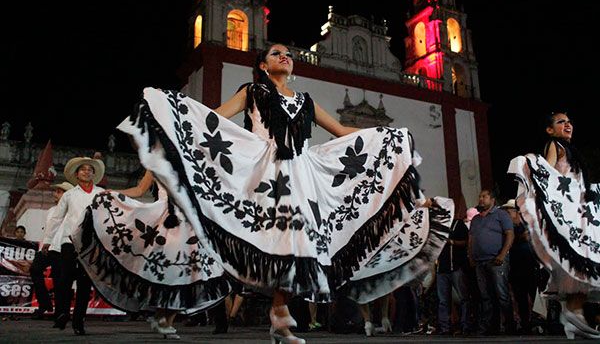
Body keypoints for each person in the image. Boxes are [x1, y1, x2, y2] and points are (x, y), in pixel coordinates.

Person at [117, 43, 454, 343]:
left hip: (301, 176)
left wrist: (386, 138)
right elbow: (213, 120)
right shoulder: (252, 91)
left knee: (298, 242)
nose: (286, 57)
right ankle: (171, 312)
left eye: (289, 54)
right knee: (227, 239)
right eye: (277, 53)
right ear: (264, 65)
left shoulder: (306, 101)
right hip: (261, 171)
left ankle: (279, 314)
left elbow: (340, 131)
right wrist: (172, 123)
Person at [71, 169, 231, 340]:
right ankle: (163, 320)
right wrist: (116, 193)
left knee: (188, 272)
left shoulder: (188, 158)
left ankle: (163, 320)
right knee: (177, 272)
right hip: (167, 218)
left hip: (189, 218)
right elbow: (140, 190)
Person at [509, 111, 600, 339]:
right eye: (561, 122)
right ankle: (573, 314)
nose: (567, 124)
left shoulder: (571, 152)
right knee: (578, 260)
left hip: (577, 212)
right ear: (550, 130)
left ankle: (574, 314)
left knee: (579, 264)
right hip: (567, 214)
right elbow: (546, 173)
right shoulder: (555, 145)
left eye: (569, 121)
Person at [50, 157, 105, 335]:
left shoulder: (101, 193)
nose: (86, 172)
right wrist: (47, 241)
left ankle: (78, 320)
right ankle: (63, 312)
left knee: (84, 282)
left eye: (90, 169)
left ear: (94, 174)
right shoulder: (69, 195)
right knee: (65, 278)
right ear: (76, 174)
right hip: (69, 240)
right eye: (83, 169)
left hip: (90, 242)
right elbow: (56, 218)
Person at [468, 189, 514, 334]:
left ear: (492, 199)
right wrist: (471, 256)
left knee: (502, 294)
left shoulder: (501, 215)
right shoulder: (475, 219)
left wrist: (502, 254)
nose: (481, 199)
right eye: (480, 196)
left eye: (484, 196)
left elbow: (510, 235)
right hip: (480, 262)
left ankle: (509, 326)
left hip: (496, 260)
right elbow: (471, 239)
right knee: (485, 296)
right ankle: (489, 327)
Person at [30, 181, 73, 320]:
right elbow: (48, 229)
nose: (55, 194)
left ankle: (59, 311)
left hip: (62, 248)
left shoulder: (72, 211)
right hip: (48, 246)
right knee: (35, 269)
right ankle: (45, 304)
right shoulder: (51, 211)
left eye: (59, 192)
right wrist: (45, 243)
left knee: (59, 280)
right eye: (56, 191)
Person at [503, 199, 538, 334]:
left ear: (516, 212)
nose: (506, 214)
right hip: (516, 268)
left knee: (534, 296)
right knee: (520, 297)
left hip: (531, 266)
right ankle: (525, 324)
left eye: (509, 211)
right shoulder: (508, 229)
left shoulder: (527, 225)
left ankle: (538, 321)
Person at [436, 214, 469, 335]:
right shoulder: (438, 226)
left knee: (463, 298)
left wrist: (451, 242)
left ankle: (465, 325)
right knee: (443, 300)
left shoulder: (458, 224)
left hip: (455, 266)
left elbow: (465, 242)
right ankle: (444, 327)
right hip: (441, 268)